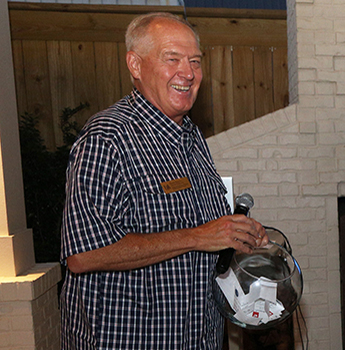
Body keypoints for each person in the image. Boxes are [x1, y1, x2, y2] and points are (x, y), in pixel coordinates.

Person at [59, 12, 268, 349]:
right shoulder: (107, 139)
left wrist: (235, 234)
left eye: (196, 62)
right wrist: (199, 237)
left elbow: (202, 233)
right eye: (172, 59)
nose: (187, 73)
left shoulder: (191, 137)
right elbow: (84, 255)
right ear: (135, 65)